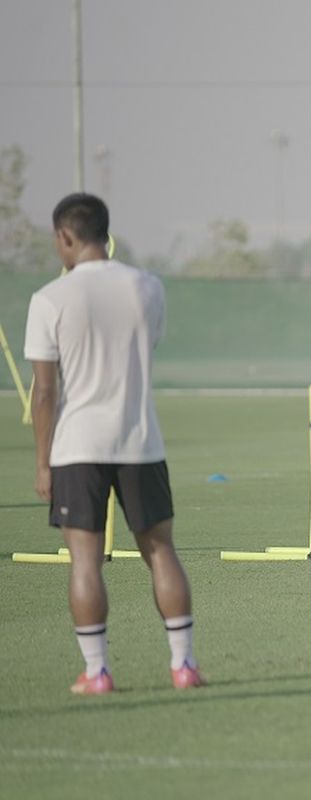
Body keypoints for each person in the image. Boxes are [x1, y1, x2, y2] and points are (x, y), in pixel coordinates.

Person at [24, 193, 204, 695]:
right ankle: (183, 665)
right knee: (160, 550)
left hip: (77, 445)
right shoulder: (148, 287)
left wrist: (42, 462)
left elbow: (44, 391)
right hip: (139, 438)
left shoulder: (49, 300)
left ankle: (97, 671)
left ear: (65, 237)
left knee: (85, 561)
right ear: (106, 231)